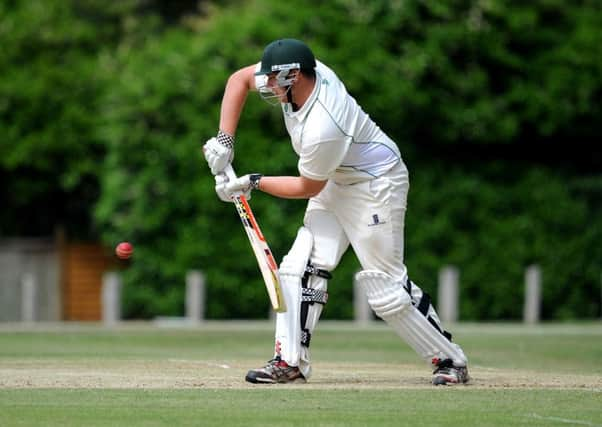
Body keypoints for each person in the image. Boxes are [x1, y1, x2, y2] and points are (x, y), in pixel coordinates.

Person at [203, 38, 469, 386]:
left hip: (375, 185)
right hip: (335, 179)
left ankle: (451, 359)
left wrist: (252, 182)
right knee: (298, 269)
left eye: (273, 80)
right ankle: (290, 362)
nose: (267, 85)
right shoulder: (295, 75)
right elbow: (238, 81)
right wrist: (225, 140)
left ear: (295, 75)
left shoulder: (325, 124)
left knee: (385, 288)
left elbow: (307, 187)